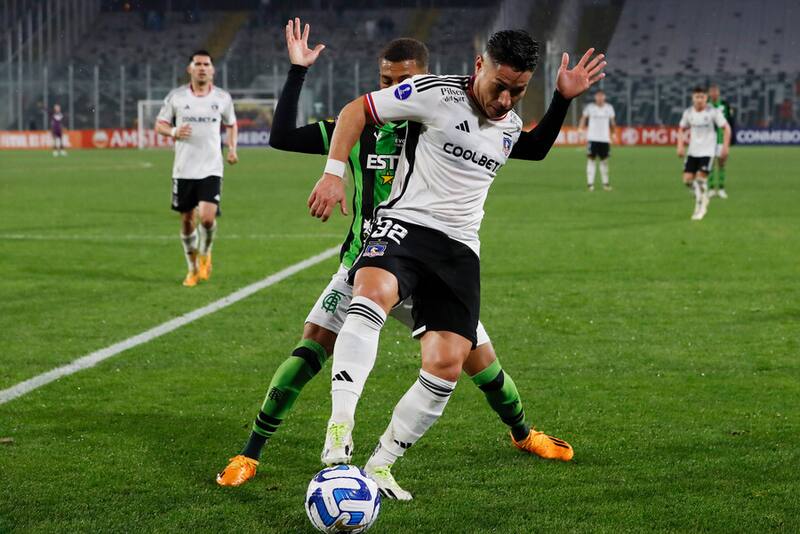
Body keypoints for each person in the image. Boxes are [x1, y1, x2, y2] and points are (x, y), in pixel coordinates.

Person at [216, 19, 567, 490]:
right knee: (309, 349)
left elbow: (524, 142)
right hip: (373, 254)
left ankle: (523, 434)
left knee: (481, 365)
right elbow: (287, 134)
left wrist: (563, 98)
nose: (399, 90)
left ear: (423, 78)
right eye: (388, 83)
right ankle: (252, 452)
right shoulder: (367, 129)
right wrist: (298, 76)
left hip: (442, 255)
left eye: (406, 82)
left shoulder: (452, 117)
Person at [308, 30, 605, 498]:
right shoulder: (434, 94)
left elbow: (532, 146)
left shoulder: (507, 123)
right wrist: (333, 174)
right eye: (499, 85)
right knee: (370, 297)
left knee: (446, 365)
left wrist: (562, 99)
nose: (506, 99)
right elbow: (355, 111)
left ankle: (381, 464)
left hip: (460, 250)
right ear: (479, 65)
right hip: (404, 225)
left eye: (518, 90)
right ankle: (339, 430)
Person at [155, 50, 239, 287]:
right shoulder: (177, 97)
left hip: (212, 167)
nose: (202, 68)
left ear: (212, 70)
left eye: (206, 64)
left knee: (208, 218)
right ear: (189, 69)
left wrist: (232, 148)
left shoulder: (222, 98)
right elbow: (159, 124)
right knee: (186, 221)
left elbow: (231, 125)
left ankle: (206, 252)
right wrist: (173, 131)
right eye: (198, 64)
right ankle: (191, 269)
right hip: (183, 170)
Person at [677, 87, 730, 221]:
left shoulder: (713, 112)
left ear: (706, 98)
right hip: (692, 151)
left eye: (702, 97)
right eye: (697, 97)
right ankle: (703, 195)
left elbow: (726, 128)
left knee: (701, 179)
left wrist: (725, 147)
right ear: (692, 98)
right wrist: (680, 146)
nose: (699, 100)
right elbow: (681, 129)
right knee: (687, 180)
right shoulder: (688, 113)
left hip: (707, 152)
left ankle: (700, 208)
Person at [578, 89, 615, 191]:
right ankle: (590, 184)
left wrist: (614, 134)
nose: (599, 98)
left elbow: (612, 122)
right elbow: (583, 118)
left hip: (604, 139)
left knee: (604, 161)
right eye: (598, 96)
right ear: (595, 97)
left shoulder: (609, 108)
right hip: (592, 138)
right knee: (591, 160)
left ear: (604, 97)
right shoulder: (590, 108)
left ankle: (606, 184)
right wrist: (580, 128)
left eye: (601, 96)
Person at [707, 84, 734, 199]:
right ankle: (712, 189)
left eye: (715, 91)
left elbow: (730, 122)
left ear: (718, 93)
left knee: (722, 163)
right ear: (709, 93)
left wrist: (730, 140)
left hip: (721, 139)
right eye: (712, 91)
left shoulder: (725, 105)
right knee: (710, 164)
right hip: (708, 140)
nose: (714, 93)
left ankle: (721, 188)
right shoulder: (705, 105)